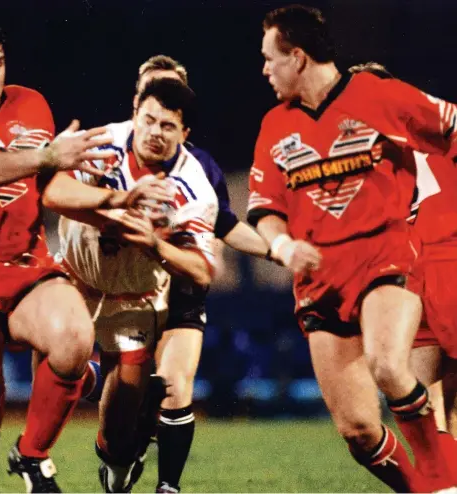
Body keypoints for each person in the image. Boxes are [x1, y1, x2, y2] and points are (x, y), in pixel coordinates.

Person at [0, 19, 170, 493]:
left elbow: (51, 189)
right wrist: (46, 156)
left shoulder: (32, 104)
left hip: (26, 262)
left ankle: (32, 457)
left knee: (73, 338)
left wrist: (110, 204)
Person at [249, 5, 457, 491]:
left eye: (269, 58)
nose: (263, 69)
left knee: (389, 365)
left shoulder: (378, 95)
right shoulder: (274, 126)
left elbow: (449, 125)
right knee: (358, 429)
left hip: (387, 255)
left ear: (297, 56)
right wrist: (281, 245)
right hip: (319, 278)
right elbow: (263, 207)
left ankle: (443, 483)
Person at [58, 77, 219, 493]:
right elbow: (53, 193)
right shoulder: (103, 143)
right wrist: (116, 205)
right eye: (148, 120)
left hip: (134, 299)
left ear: (185, 134)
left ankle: (116, 474)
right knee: (55, 355)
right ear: (135, 112)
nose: (154, 132)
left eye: (168, 126)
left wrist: (154, 243)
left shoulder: (194, 188)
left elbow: (202, 270)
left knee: (117, 432)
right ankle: (85, 382)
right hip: (76, 278)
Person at [127, 55, 272, 494]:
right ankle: (122, 452)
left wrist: (275, 249)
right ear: (137, 100)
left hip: (181, 289)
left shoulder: (201, 168)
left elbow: (222, 224)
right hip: (124, 291)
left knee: (174, 384)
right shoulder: (110, 152)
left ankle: (167, 486)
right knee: (126, 397)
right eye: (154, 90)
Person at [348, 61, 457, 476]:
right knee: (434, 396)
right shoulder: (432, 128)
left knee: (429, 397)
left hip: (418, 272)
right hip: (429, 268)